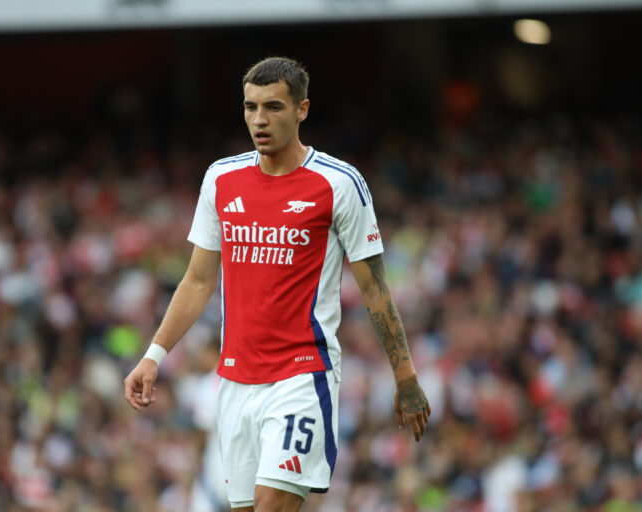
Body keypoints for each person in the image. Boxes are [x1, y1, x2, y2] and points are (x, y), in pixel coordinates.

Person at [124, 57, 431, 512]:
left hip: (301, 374)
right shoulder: (221, 178)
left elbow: (375, 290)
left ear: (302, 110)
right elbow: (198, 279)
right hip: (235, 379)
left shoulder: (339, 183)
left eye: (273, 107)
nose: (259, 120)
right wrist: (154, 355)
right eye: (250, 107)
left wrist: (405, 376)